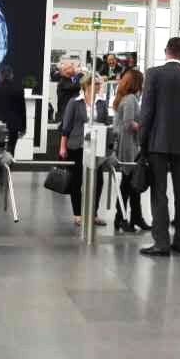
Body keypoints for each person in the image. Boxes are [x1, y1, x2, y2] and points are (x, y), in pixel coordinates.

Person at [138, 37, 180, 257]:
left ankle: (161, 242)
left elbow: (147, 112)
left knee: (159, 193)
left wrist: (143, 142)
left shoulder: (153, 74)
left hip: (157, 143)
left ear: (166, 51)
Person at [59, 74, 106, 227]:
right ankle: (78, 214)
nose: (98, 86)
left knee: (98, 181)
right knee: (76, 181)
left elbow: (105, 124)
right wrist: (62, 146)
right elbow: (66, 126)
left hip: (96, 147)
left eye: (99, 84)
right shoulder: (74, 102)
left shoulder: (102, 103)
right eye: (96, 84)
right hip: (77, 146)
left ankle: (93, 213)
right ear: (86, 85)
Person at [112, 68, 149, 233]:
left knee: (131, 184)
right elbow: (128, 124)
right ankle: (122, 218)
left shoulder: (125, 98)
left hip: (127, 145)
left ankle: (133, 217)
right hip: (129, 147)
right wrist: (144, 126)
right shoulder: (131, 99)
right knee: (128, 184)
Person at [0, 65, 26, 155]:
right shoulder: (19, 89)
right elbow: (22, 110)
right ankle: (8, 163)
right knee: (11, 149)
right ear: (11, 75)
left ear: (0, 75)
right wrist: (23, 128)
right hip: (13, 125)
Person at [52, 59, 81, 124]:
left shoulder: (70, 80)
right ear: (66, 71)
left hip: (71, 112)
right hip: (65, 114)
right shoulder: (63, 82)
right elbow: (76, 86)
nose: (74, 69)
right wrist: (78, 74)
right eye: (71, 67)